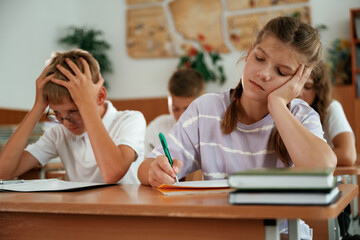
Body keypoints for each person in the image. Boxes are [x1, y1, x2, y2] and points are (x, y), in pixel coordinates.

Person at [138, 16, 337, 239]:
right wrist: (155, 171)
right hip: (219, 232)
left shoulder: (300, 115)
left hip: (281, 234)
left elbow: (322, 168)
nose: (264, 73)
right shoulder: (206, 109)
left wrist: (278, 104)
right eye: (260, 58)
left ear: (300, 80)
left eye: (281, 72)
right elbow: (145, 167)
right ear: (249, 52)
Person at [0, 49, 146, 184]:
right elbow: (3, 172)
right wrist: (38, 107)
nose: (66, 123)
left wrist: (86, 105)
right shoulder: (59, 133)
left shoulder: (130, 120)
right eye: (57, 114)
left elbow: (112, 173)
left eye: (74, 111)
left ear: (100, 97)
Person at [298, 60, 357, 166]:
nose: (298, 92)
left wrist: (305, 159)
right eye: (296, 84)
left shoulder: (330, 108)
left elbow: (348, 155)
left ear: (319, 89)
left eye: (307, 87)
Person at [144, 68, 205, 155]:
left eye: (187, 109)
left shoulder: (213, 127)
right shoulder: (157, 128)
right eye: (175, 108)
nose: (181, 116)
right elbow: (142, 162)